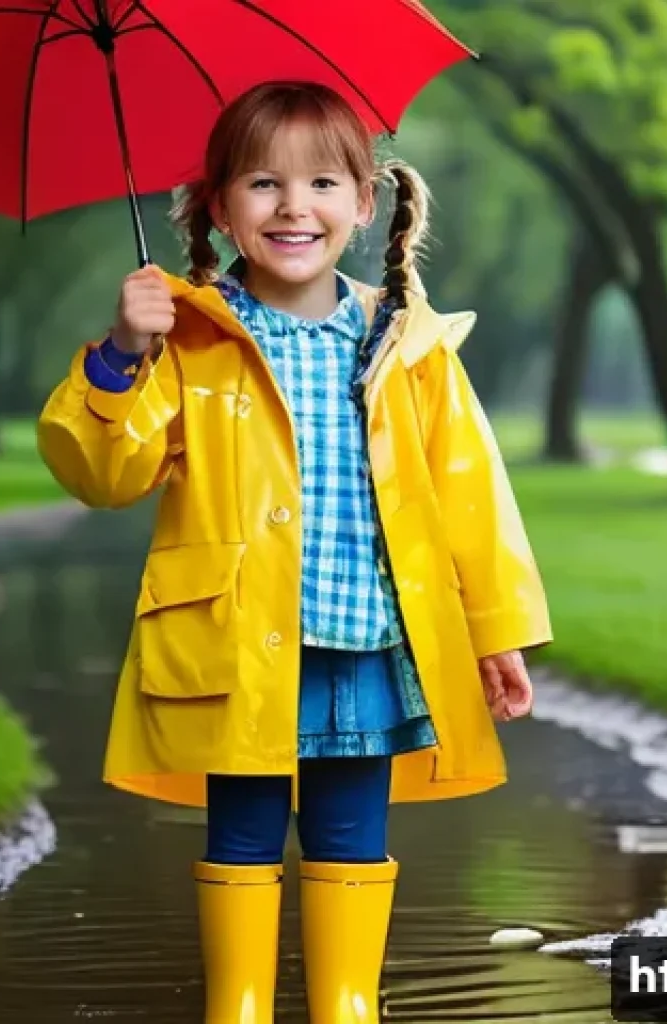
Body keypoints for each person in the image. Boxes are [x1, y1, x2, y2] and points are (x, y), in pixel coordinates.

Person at [37, 80, 552, 1024]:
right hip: (233, 641)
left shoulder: (407, 343)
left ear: (364, 203)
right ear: (219, 205)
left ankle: (346, 1006)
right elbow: (106, 474)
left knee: (350, 837)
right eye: (263, 183)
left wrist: (495, 628)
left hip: (366, 641)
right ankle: (237, 1006)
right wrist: (121, 353)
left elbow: (472, 495)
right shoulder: (190, 340)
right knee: (241, 837)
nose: (292, 207)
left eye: (320, 183)